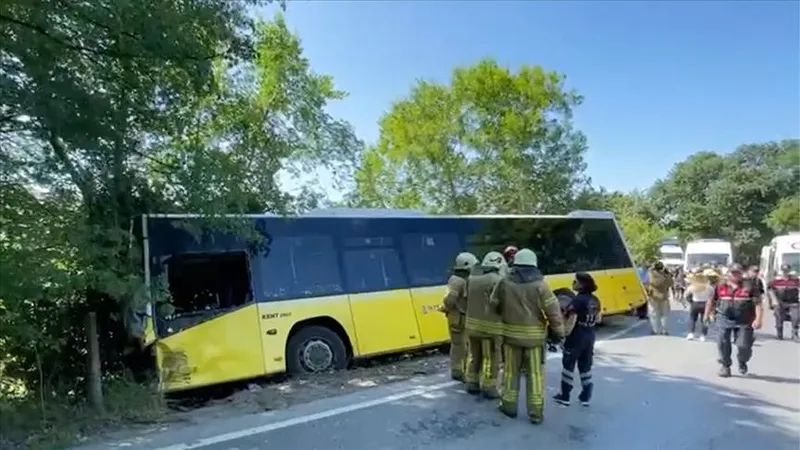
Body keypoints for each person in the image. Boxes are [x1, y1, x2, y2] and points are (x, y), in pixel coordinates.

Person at [490, 248, 565, 424]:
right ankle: (536, 413)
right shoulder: (541, 285)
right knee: (535, 376)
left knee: (510, 373)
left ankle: (509, 407)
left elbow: (493, 304)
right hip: (534, 340)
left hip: (510, 338)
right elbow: (553, 312)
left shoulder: (503, 283)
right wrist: (559, 333)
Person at [704, 263, 763, 377]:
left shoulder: (750, 286)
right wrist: (706, 315)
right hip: (724, 317)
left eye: (738, 273)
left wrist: (758, 319)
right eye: (733, 273)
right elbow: (711, 301)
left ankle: (742, 361)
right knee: (722, 341)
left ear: (742, 273)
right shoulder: (720, 285)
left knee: (743, 345)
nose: (736, 275)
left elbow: (758, 304)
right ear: (729, 273)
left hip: (744, 320)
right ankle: (725, 365)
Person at [553, 272, 601, 407]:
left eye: (576, 282)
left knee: (568, 365)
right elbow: (598, 318)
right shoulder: (595, 300)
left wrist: (563, 335)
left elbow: (571, 319)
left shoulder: (577, 300)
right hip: (590, 335)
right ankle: (585, 395)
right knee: (585, 366)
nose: (573, 283)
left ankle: (565, 396)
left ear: (582, 285)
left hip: (576, 336)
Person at [464, 251, 506, 398]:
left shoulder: (471, 278)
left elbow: (465, 299)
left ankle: (471, 382)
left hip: (471, 326)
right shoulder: (498, 280)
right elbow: (501, 303)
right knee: (491, 357)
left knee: (474, 355)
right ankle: (489, 387)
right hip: (490, 328)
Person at [441, 252, 479, 381]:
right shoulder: (459, 281)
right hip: (460, 318)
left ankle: (457, 370)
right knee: (462, 345)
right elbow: (450, 300)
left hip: (458, 317)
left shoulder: (456, 279)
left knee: (459, 345)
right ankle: (461, 371)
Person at [768, 263, 800, 341]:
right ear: (782, 270)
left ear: (789, 270)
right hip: (780, 301)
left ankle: (794, 334)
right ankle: (779, 332)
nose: (786, 272)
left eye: (787, 270)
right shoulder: (776, 280)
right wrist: (773, 300)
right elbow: (769, 289)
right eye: (784, 270)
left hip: (793, 301)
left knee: (796, 317)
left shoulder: (795, 280)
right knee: (779, 317)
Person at [684, 270, 714, 341]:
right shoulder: (709, 287)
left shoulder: (692, 286)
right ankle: (703, 335)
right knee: (704, 320)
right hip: (705, 304)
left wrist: (690, 301)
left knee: (692, 319)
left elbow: (685, 295)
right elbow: (711, 297)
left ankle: (691, 333)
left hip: (695, 303)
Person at [647, 261, 673, 335]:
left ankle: (655, 330)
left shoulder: (652, 274)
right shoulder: (665, 275)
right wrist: (667, 274)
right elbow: (671, 283)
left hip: (653, 296)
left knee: (653, 313)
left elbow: (651, 282)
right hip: (664, 296)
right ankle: (665, 330)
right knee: (665, 314)